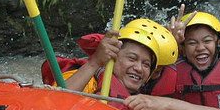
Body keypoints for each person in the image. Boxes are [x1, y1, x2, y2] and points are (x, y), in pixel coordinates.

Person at [42, 18, 178, 100]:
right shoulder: (89, 80)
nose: (138, 68)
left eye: (146, 64)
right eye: (132, 58)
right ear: (113, 55)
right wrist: (94, 62)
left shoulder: (140, 99)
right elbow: (55, 102)